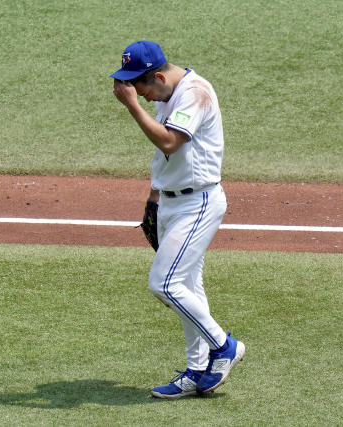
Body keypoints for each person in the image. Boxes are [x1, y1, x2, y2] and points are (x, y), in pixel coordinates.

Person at [110, 40, 245, 399]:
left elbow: (170, 143)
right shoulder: (168, 94)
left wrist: (133, 108)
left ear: (157, 76)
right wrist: (154, 199)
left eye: (142, 88)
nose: (144, 96)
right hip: (171, 203)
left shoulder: (195, 94)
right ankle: (198, 368)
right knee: (188, 287)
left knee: (165, 285)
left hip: (197, 203)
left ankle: (224, 346)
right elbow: (166, 160)